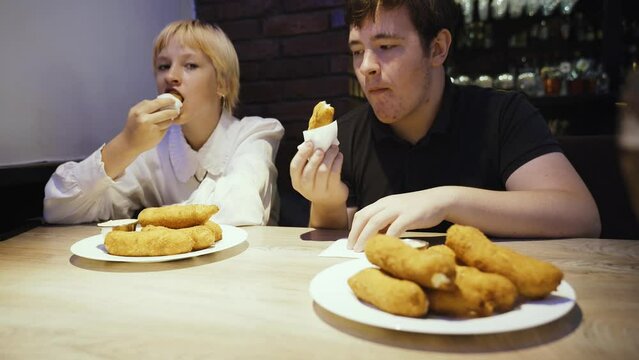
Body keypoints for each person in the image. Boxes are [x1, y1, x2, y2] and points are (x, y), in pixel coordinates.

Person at [289, 0, 600, 251]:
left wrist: (447, 201)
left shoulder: (502, 113)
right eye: (357, 51)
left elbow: (580, 215)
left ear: (437, 48)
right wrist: (326, 199)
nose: (366, 66)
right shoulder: (347, 133)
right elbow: (337, 242)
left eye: (386, 46)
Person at [44, 20, 284, 226]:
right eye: (163, 66)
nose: (171, 76)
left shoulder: (256, 132)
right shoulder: (150, 150)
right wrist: (126, 144)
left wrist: (150, 219)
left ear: (222, 84)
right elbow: (58, 209)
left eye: (190, 65)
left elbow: (239, 212)